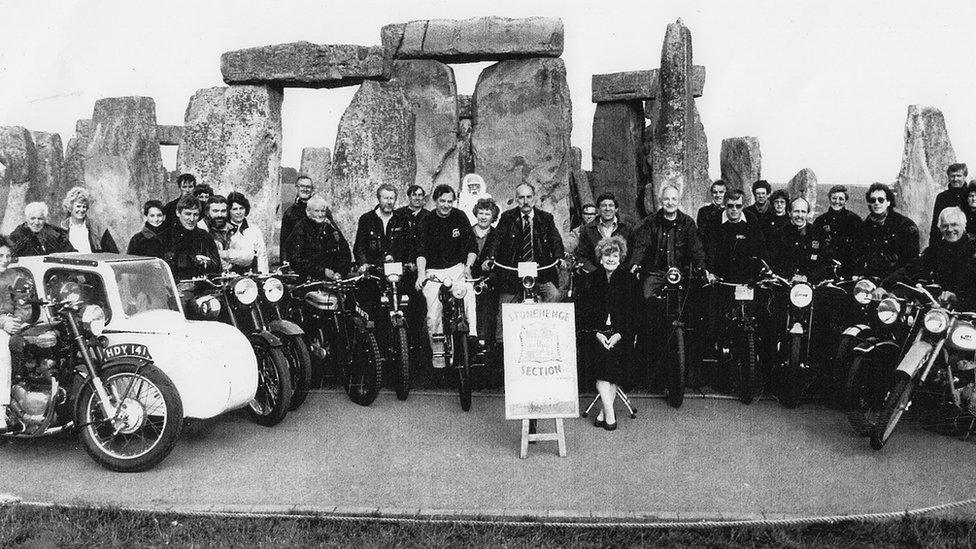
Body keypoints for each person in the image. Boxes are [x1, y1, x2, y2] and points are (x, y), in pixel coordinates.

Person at [484, 182, 565, 341]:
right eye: (521, 197)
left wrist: (559, 258)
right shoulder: (508, 217)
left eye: (529, 197)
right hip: (513, 274)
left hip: (541, 273)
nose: (525, 201)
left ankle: (546, 335)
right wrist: (490, 258)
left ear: (534, 198)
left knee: (554, 296)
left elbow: (556, 240)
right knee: (504, 310)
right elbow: (496, 239)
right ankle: (502, 347)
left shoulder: (546, 218)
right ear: (516, 199)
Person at [577, 235, 638, 431]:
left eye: (615, 255)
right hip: (595, 334)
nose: (611, 259)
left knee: (613, 360)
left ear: (620, 257)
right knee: (604, 359)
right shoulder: (591, 280)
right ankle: (609, 413)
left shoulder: (629, 280)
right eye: (607, 255)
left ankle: (605, 412)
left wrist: (619, 334)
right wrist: (597, 334)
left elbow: (634, 314)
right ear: (600, 258)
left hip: (621, 334)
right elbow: (583, 313)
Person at [414, 184, 478, 369]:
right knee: (433, 312)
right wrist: (421, 275)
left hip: (457, 269)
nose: (446, 205)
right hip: (434, 272)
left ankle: (472, 335)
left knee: (469, 292)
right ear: (435, 201)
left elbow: (472, 247)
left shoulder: (460, 216)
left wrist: (468, 267)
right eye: (442, 201)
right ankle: (438, 352)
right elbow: (421, 252)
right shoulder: (426, 221)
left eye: (450, 201)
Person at [886, 207, 976, 311]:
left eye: (954, 224)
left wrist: (957, 298)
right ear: (940, 228)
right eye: (945, 226)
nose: (950, 229)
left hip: (967, 313)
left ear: (963, 226)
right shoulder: (936, 249)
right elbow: (911, 268)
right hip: (938, 310)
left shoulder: (972, 248)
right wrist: (885, 286)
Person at [630, 185, 705, 297]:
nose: (670, 203)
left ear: (679, 201)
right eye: (666, 199)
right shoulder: (650, 222)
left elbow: (696, 249)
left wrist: (701, 268)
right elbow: (642, 245)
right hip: (656, 273)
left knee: (691, 301)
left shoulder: (688, 223)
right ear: (661, 200)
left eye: (674, 199)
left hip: (682, 273)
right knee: (647, 297)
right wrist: (635, 263)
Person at [853, 183, 920, 280]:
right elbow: (858, 256)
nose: (877, 203)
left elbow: (911, 262)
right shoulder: (863, 227)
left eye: (881, 200)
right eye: (873, 200)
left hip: (897, 281)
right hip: (869, 280)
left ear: (888, 202)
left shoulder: (905, 226)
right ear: (869, 203)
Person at [0, 236, 33, 430]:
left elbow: (24, 304)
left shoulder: (15, 277)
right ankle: (1, 410)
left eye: (8, 256)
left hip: (13, 323)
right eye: (1, 255)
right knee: (2, 352)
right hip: (1, 326)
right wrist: (3, 322)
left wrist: (16, 320)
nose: (5, 259)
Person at [285, 194, 352, 283]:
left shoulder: (331, 226)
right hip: (309, 280)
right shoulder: (301, 228)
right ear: (308, 212)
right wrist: (322, 271)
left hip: (334, 280)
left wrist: (340, 272)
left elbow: (345, 253)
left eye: (323, 211)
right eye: (316, 211)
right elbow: (296, 260)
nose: (320, 215)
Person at [155, 194, 221, 280]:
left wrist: (207, 263)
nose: (192, 219)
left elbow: (217, 269)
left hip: (201, 289)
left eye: (196, 214)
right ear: (178, 213)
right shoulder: (163, 238)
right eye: (188, 214)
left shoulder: (205, 237)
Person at [353, 184, 412, 270]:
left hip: (397, 270)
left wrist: (409, 262)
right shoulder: (366, 219)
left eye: (391, 198)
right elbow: (359, 246)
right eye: (385, 198)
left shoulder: (401, 220)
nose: (389, 202)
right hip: (374, 270)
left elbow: (409, 244)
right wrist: (363, 263)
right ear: (379, 199)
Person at [770, 197, 829, 280]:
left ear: (807, 214)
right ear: (789, 212)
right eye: (796, 211)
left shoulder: (818, 233)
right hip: (785, 282)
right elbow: (774, 261)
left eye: (803, 212)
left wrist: (807, 277)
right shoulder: (779, 234)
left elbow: (825, 261)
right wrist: (791, 276)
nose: (800, 215)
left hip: (810, 283)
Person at [575, 193, 633, 274]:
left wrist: (620, 273)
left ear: (616, 209)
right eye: (604, 206)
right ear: (598, 210)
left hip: (620, 275)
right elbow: (582, 256)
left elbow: (631, 253)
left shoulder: (627, 228)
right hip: (595, 276)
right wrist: (596, 273)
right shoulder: (587, 230)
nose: (607, 209)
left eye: (611, 205)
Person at [471, 197, 500, 347]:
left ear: (493, 217)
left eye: (487, 214)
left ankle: (487, 343)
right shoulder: (468, 232)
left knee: (489, 309)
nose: (483, 217)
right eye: (480, 213)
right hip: (469, 278)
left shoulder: (497, 235)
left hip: (488, 280)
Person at [813, 185, 861, 275]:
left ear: (846, 201)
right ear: (829, 199)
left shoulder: (855, 220)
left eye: (841, 199)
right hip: (824, 267)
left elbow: (859, 248)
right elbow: (815, 247)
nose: (837, 202)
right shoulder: (820, 221)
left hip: (848, 269)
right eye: (834, 198)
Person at [59, 186, 118, 254]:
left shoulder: (98, 228)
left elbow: (113, 253)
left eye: (84, 207)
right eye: (78, 206)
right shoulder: (62, 228)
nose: (81, 210)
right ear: (70, 207)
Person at [226, 192, 269, 274]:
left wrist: (263, 275)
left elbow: (262, 255)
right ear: (229, 211)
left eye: (241, 208)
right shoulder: (225, 229)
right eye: (235, 209)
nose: (239, 212)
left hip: (251, 273)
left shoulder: (254, 230)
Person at [929, 163, 969, 246]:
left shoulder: (971, 195)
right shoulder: (942, 197)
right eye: (952, 176)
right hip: (950, 240)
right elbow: (936, 225)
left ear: (965, 177)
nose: (955, 179)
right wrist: (932, 248)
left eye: (959, 176)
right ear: (948, 177)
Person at [280, 175, 315, 263]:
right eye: (302, 186)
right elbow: (284, 240)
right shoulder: (290, 213)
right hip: (296, 259)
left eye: (308, 187)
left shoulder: (320, 210)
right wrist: (284, 260)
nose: (305, 189)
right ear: (296, 188)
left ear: (312, 190)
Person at [200, 195, 234, 271]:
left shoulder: (231, 229)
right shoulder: (200, 229)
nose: (220, 215)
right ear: (207, 212)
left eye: (223, 211)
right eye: (215, 211)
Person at [696, 180, 727, 253]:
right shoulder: (703, 211)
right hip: (710, 253)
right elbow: (702, 235)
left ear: (726, 193)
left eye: (721, 192)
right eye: (715, 192)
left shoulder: (731, 211)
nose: (718, 195)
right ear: (711, 194)